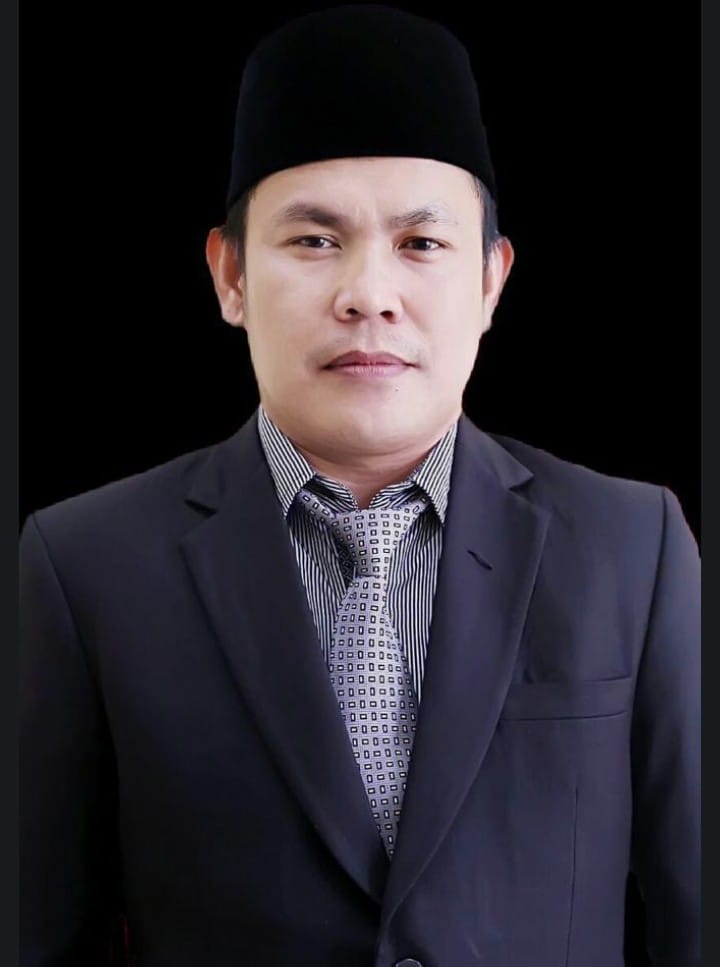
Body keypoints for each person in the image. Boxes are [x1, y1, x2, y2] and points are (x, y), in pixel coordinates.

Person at [19, 4, 699, 966]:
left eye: (421, 244)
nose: (368, 295)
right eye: (313, 240)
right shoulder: (83, 566)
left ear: (492, 280)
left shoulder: (635, 547)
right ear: (230, 276)